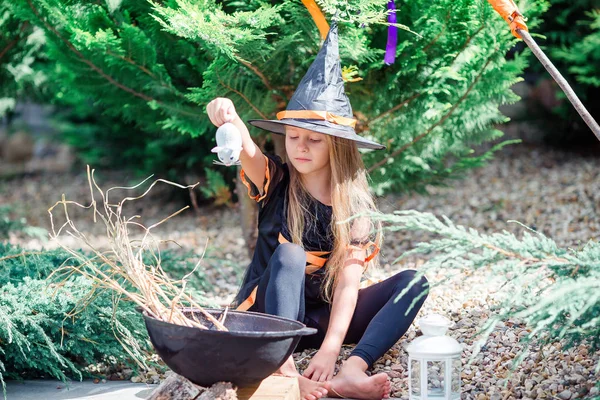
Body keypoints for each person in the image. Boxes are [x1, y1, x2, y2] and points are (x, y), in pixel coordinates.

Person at [206, 21, 429, 400]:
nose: (300, 147)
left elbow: (346, 286)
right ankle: (285, 369)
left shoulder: (354, 206)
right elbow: (248, 150)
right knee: (290, 253)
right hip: (268, 312)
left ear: (338, 147)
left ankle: (353, 371)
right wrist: (228, 116)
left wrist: (332, 351)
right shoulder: (277, 180)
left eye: (314, 140)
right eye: (293, 137)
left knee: (413, 283)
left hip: (320, 320)